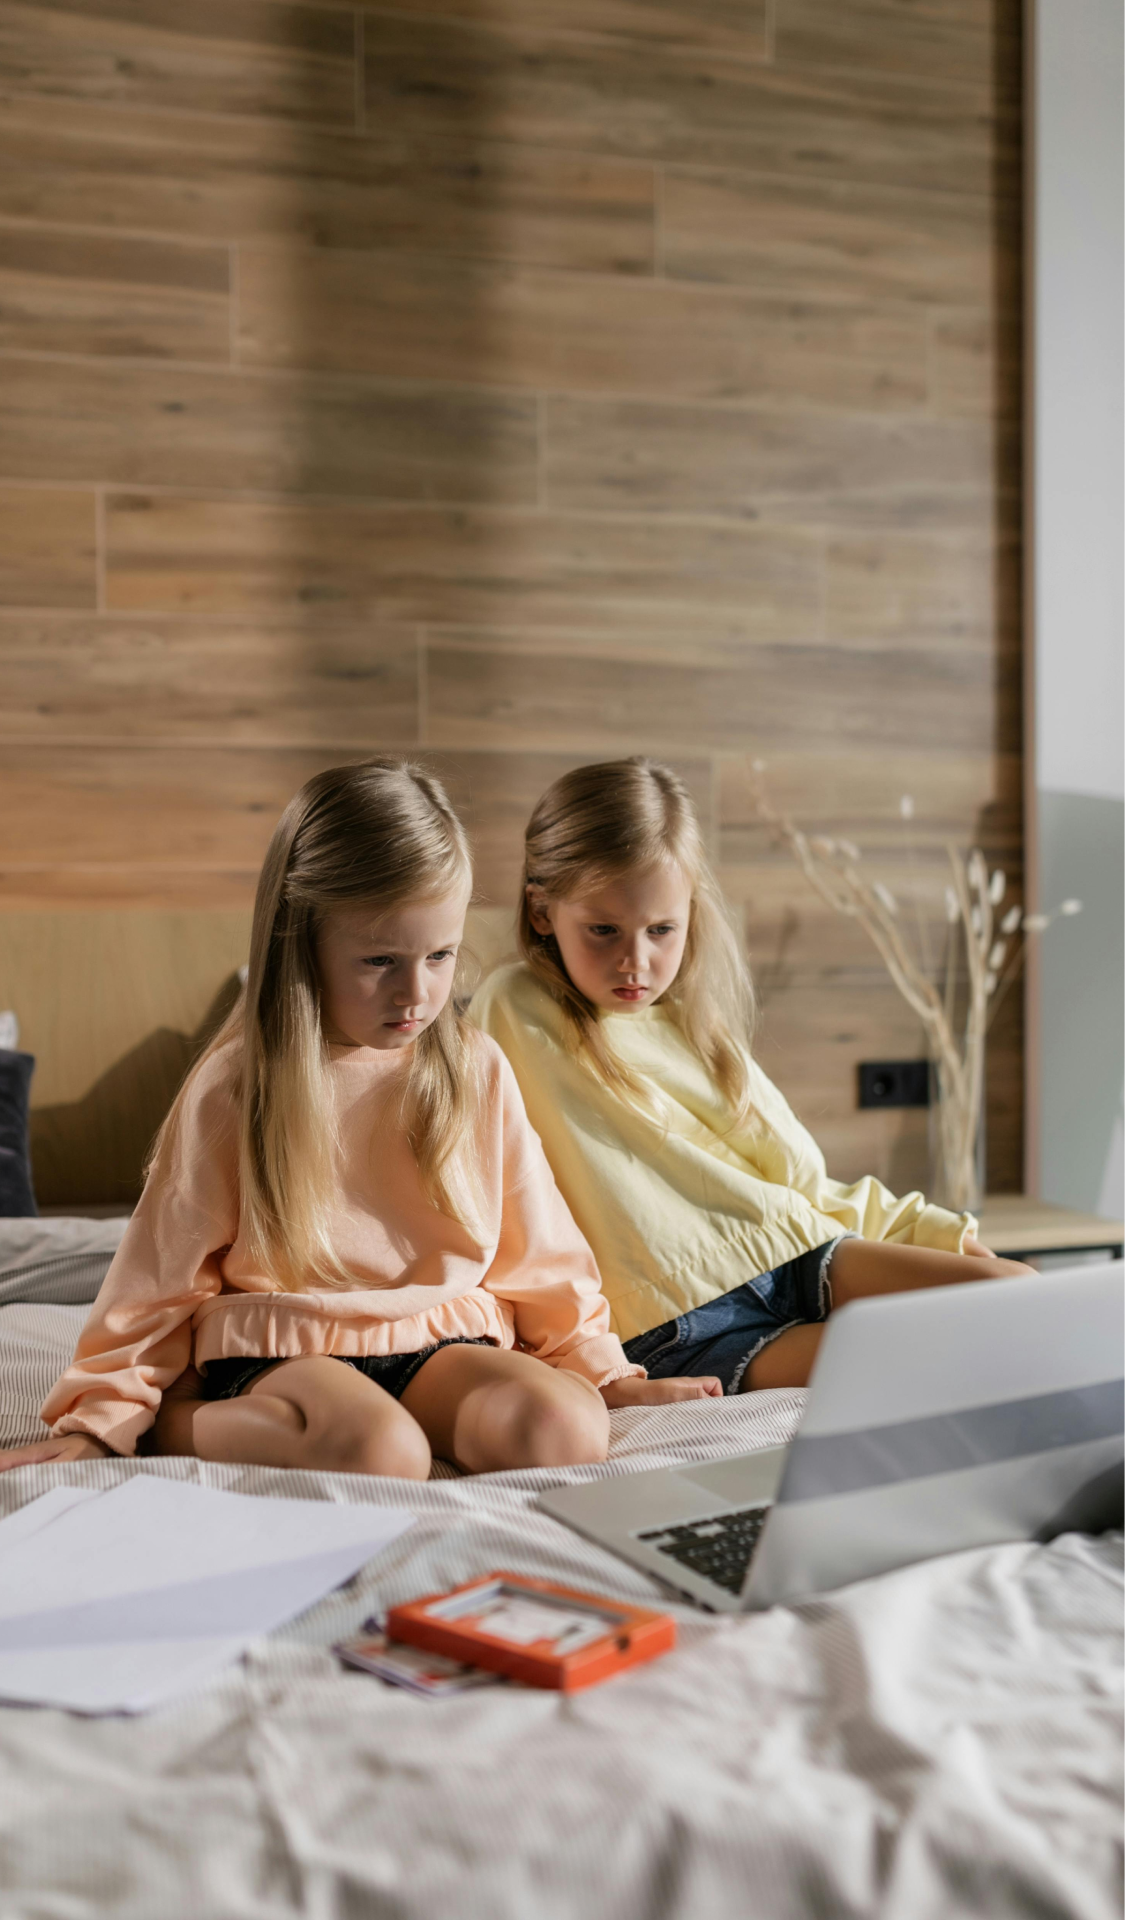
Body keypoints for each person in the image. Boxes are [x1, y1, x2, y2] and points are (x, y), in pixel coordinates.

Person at [0, 759, 703, 1486]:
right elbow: (157, 1275)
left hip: (437, 1334)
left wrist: (600, 1370)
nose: (417, 992)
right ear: (300, 942)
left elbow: (540, 1248)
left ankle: (422, 1423)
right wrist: (105, 1418)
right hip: (287, 1347)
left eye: (440, 956)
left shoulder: (474, 1066)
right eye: (379, 960)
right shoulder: (239, 1085)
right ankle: (176, 1426)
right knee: (381, 1455)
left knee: (563, 1428)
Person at [470, 757, 1032, 1395]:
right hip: (676, 1322)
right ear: (541, 912)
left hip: (788, 1251)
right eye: (603, 930)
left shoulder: (693, 1028)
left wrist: (929, 1232)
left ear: (689, 915)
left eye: (661, 930)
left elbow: (799, 1177)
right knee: (929, 1364)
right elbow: (508, 1205)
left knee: (1019, 1296)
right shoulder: (511, 1007)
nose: (636, 961)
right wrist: (587, 1363)